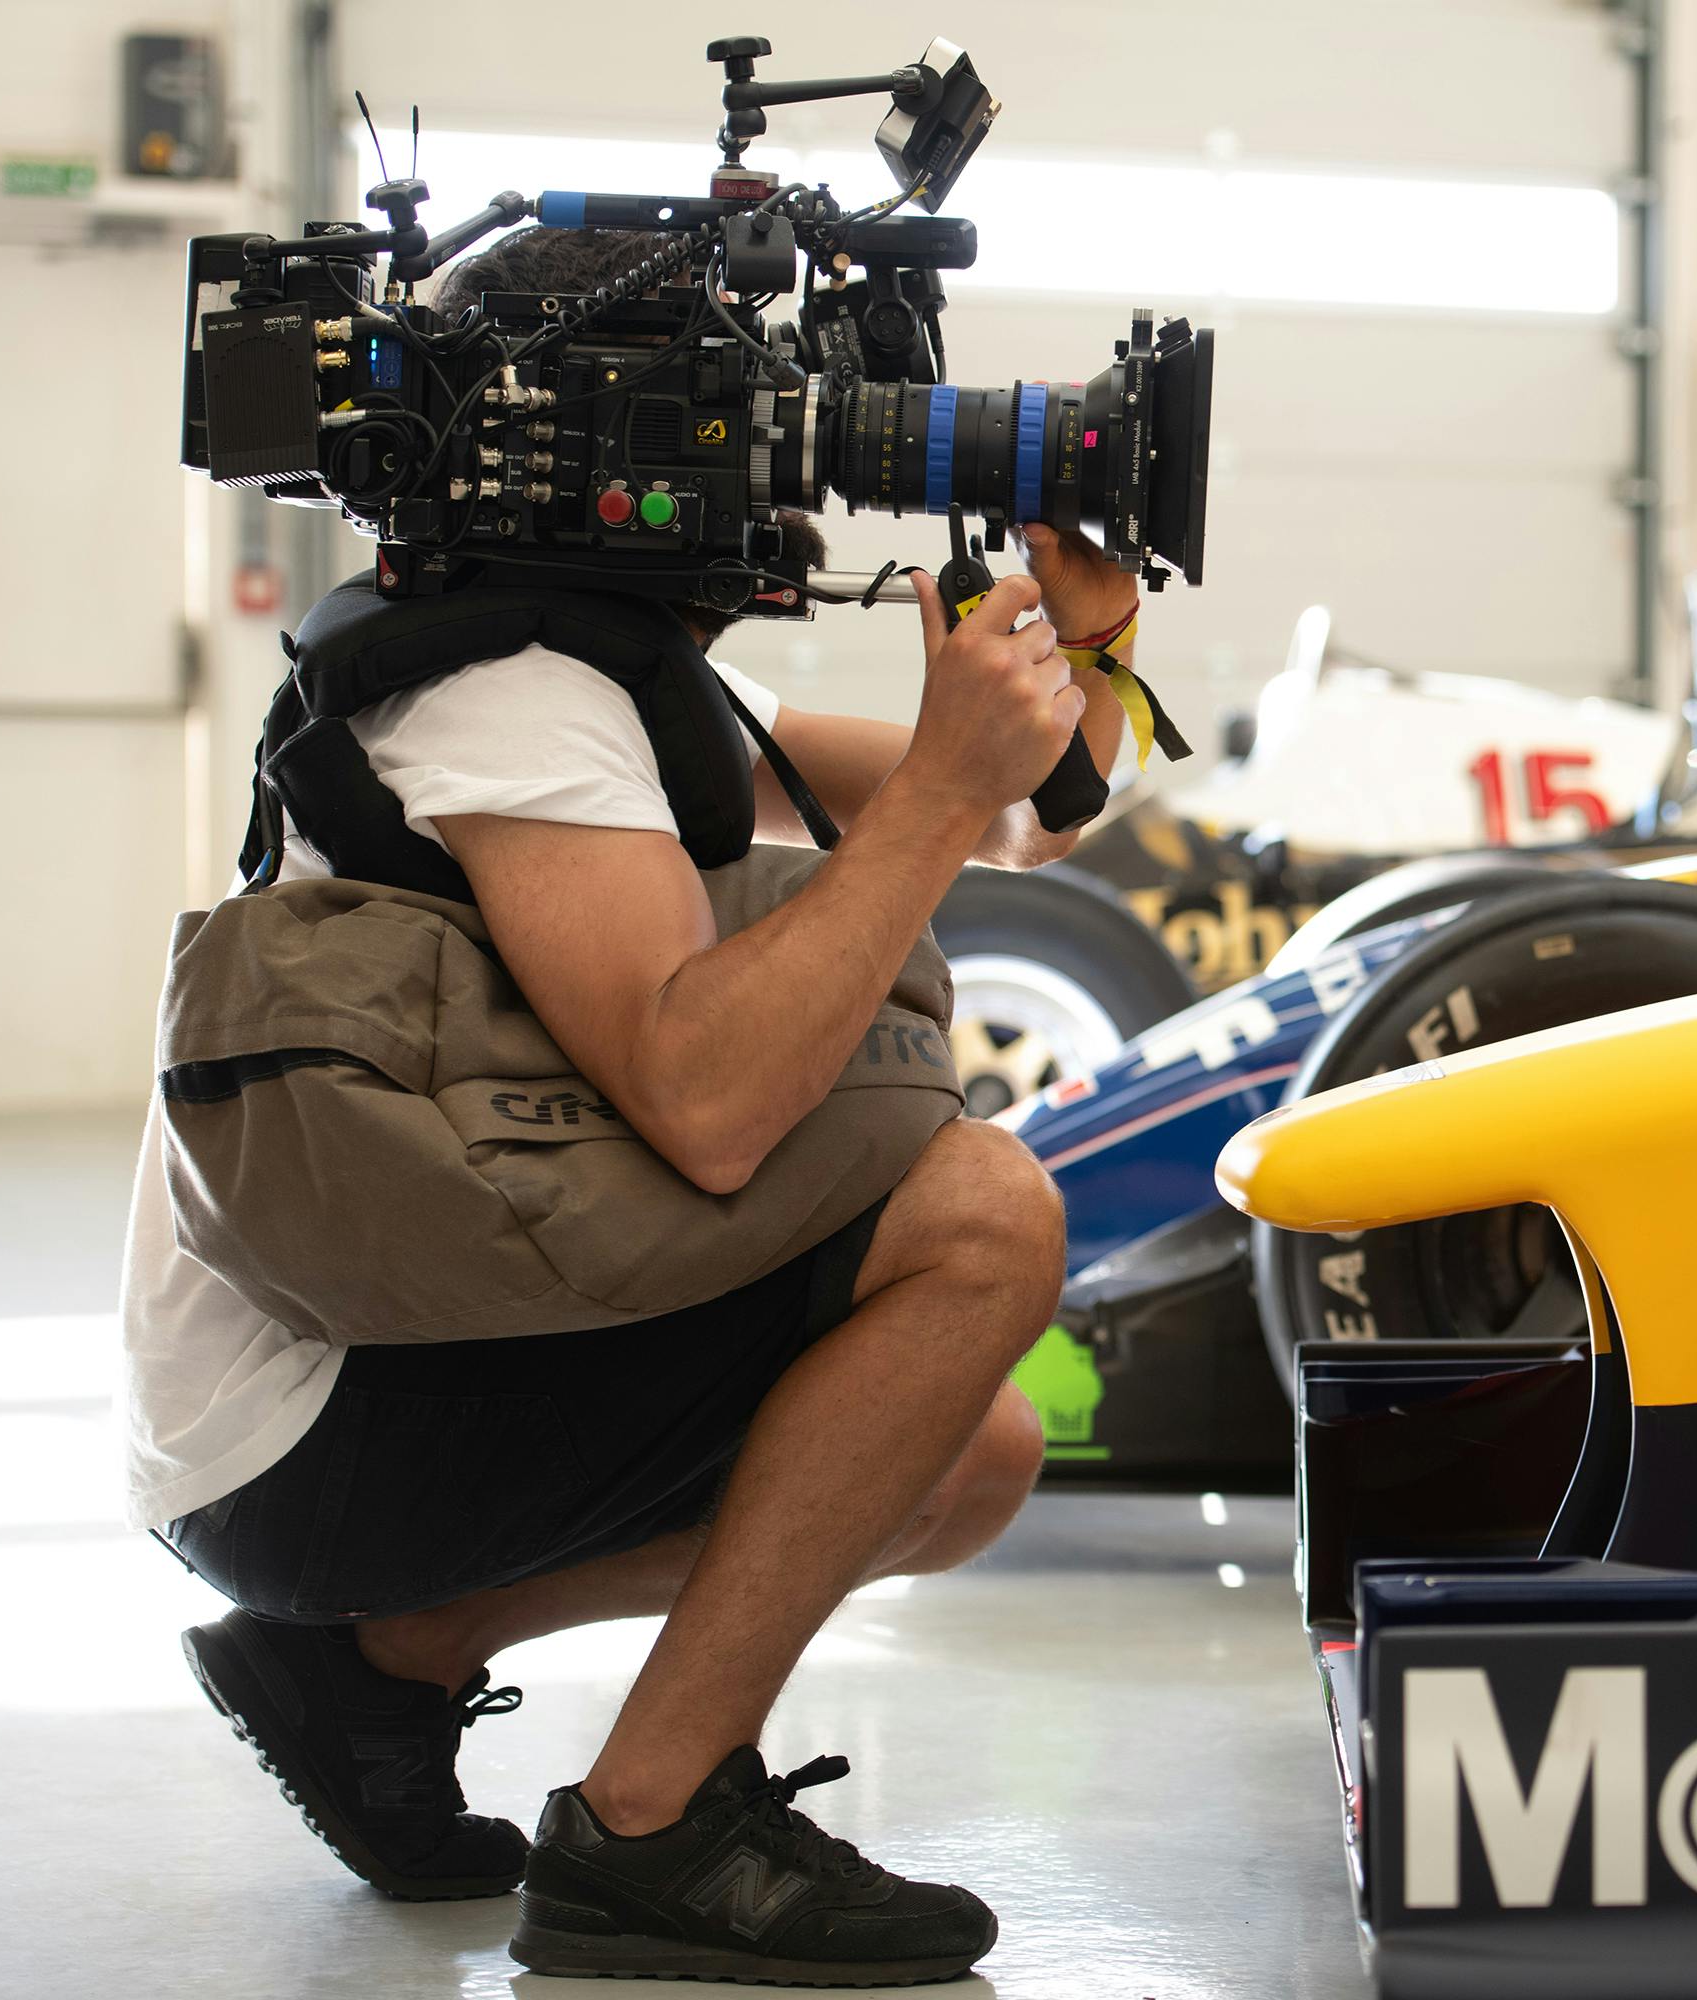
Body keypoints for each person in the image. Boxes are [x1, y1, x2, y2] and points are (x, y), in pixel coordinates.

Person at [120, 224, 1145, 1987]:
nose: (794, 458)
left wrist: (1089, 646)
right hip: (304, 1426)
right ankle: (655, 1833)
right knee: (985, 1218)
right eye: (741, 416)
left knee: (961, 1460)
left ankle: (392, 1653)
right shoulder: (507, 694)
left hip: (387, 1352)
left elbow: (1014, 815)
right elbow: (712, 1099)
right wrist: (941, 787)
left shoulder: (597, 672)